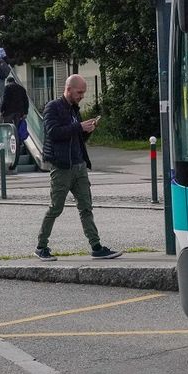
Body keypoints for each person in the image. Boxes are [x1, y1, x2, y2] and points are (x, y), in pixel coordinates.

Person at [34, 74, 122, 261]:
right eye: (79, 92)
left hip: (79, 166)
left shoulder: (74, 110)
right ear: (69, 89)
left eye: (83, 92)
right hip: (62, 167)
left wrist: (87, 131)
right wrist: (79, 127)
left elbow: (77, 137)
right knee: (56, 208)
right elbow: (53, 133)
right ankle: (41, 246)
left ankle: (96, 247)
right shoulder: (53, 107)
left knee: (86, 207)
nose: (82, 96)